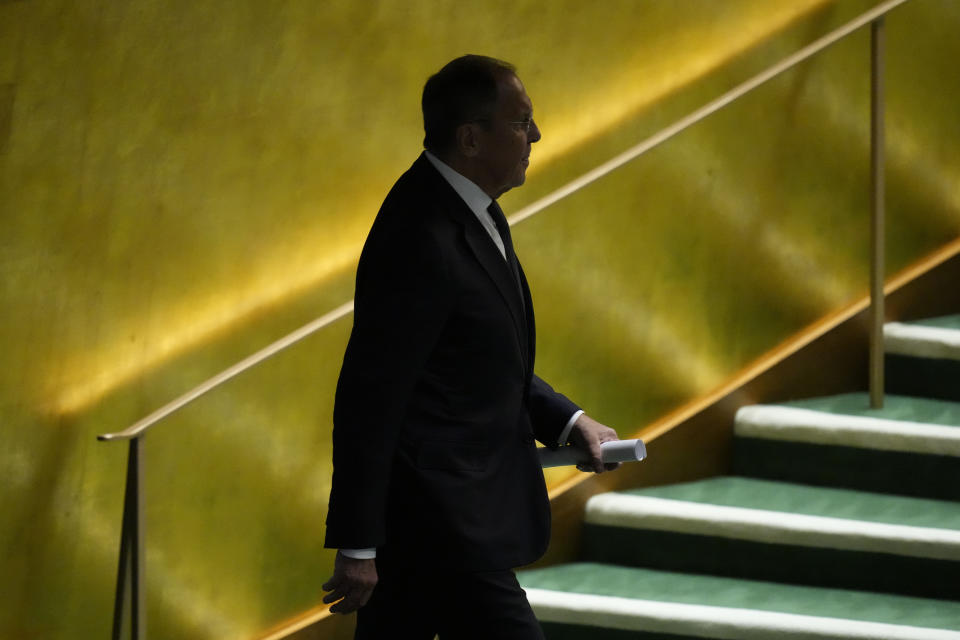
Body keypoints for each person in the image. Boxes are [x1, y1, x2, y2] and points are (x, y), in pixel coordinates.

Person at [322, 54, 620, 639]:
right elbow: (370, 393)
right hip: (442, 518)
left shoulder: (470, 206)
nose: (535, 135)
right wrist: (357, 543)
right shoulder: (419, 233)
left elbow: (473, 355)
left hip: (443, 519)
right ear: (470, 138)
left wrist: (567, 419)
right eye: (520, 122)